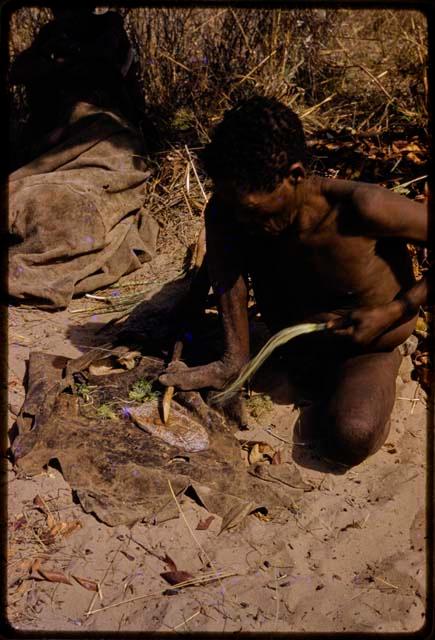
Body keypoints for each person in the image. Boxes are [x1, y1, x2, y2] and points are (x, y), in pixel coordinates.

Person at [159, 95, 430, 466]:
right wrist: (232, 360)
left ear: (296, 175)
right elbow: (228, 278)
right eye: (232, 205)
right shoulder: (231, 211)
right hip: (288, 347)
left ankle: (370, 378)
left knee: (351, 435)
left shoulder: (362, 209)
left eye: (254, 209)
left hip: (365, 350)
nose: (243, 220)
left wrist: (396, 310)